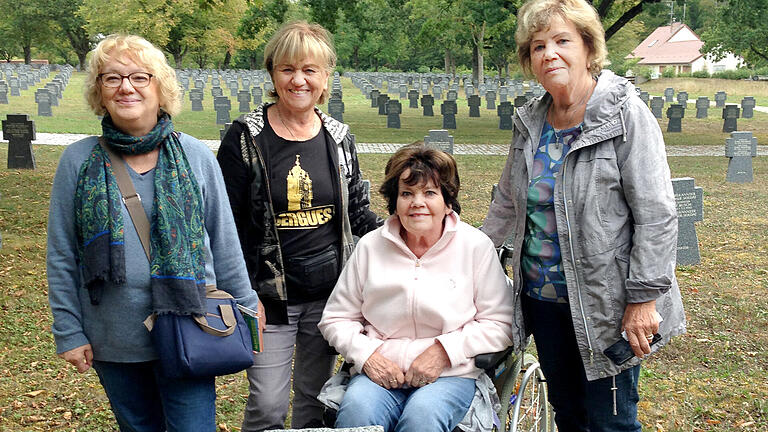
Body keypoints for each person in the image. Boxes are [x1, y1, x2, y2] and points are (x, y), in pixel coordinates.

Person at [481, 0, 687, 430]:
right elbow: (507, 201)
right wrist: (468, 259)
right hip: (543, 301)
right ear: (530, 61)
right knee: (569, 415)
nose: (549, 53)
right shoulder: (531, 123)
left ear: (589, 49)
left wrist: (644, 298)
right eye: (538, 46)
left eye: (561, 41)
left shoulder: (625, 114)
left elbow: (657, 214)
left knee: (611, 420)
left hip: (607, 305)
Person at [47, 34, 261, 432]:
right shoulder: (77, 161)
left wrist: (246, 308)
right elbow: (62, 254)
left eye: (140, 77)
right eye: (112, 78)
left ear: (160, 87)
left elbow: (224, 240)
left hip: (191, 325)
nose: (126, 87)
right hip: (114, 336)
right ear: (99, 91)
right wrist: (69, 331)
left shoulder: (195, 156)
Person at [216, 21, 380, 431]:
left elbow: (359, 214)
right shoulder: (245, 139)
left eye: (310, 69)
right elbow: (225, 225)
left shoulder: (339, 138)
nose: (299, 79)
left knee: (314, 401)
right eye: (288, 69)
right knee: (268, 405)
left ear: (325, 77)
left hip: (330, 298)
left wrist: (419, 238)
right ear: (273, 74)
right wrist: (241, 291)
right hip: (267, 299)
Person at [318, 143, 515, 432]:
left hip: (450, 374)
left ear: (448, 202)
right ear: (394, 202)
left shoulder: (475, 247)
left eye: (430, 193)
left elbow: (500, 323)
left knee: (422, 417)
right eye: (406, 193)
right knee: (357, 412)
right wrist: (368, 356)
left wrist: (443, 352)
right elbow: (336, 319)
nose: (417, 202)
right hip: (379, 372)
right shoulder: (371, 247)